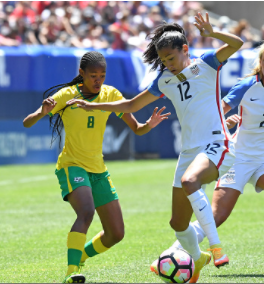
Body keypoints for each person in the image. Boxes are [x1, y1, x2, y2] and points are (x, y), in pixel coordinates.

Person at [65, 12, 243, 283]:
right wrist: (93, 105)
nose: (168, 65)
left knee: (190, 181)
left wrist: (212, 32)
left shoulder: (207, 63)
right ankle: (199, 259)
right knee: (177, 223)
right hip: (189, 152)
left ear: (185, 49)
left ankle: (216, 249)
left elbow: (237, 44)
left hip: (218, 144)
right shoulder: (164, 80)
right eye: (163, 61)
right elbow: (130, 105)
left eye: (171, 58)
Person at [154, 39, 264, 276]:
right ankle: (170, 254)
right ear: (260, 62)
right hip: (236, 158)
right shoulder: (247, 85)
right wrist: (224, 124)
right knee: (216, 217)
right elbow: (217, 110)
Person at [23, 51, 170, 283]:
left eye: (102, 75)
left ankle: (79, 255)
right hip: (72, 165)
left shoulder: (111, 94)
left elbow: (137, 129)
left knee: (116, 234)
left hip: (98, 169)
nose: (98, 80)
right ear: (81, 74)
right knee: (86, 212)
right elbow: (27, 122)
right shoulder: (67, 96)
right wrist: (41, 112)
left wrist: (149, 125)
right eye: (93, 75)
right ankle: (71, 272)